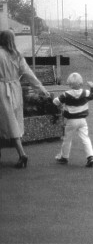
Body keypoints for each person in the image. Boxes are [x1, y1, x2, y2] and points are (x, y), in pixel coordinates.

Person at [0, 29, 50, 168]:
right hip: (15, 90)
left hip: (2, 90)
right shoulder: (17, 55)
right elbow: (29, 74)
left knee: (8, 123)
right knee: (12, 120)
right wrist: (42, 90)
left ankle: (22, 154)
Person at [52, 72, 93, 167]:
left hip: (71, 121)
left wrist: (60, 104)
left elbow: (55, 101)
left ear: (69, 84)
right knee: (85, 138)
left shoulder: (66, 94)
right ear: (80, 83)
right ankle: (90, 157)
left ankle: (64, 157)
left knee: (67, 139)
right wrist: (92, 87)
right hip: (82, 120)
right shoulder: (86, 93)